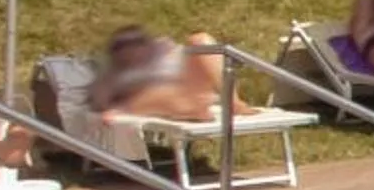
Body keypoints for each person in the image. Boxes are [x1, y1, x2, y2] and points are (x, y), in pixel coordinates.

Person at [89, 26, 261, 124]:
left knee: (200, 40)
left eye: (138, 44)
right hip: (161, 99)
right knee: (157, 92)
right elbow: (102, 100)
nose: (134, 51)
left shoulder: (162, 52)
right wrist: (116, 110)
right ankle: (196, 107)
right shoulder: (113, 72)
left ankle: (233, 101)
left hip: (190, 90)